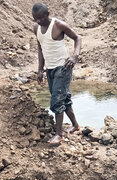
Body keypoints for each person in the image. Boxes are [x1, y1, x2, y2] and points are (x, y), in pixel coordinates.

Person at [32, 2, 82, 145]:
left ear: (47, 14)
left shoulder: (58, 25)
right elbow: (40, 49)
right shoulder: (36, 28)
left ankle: (59, 134)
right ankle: (75, 125)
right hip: (50, 68)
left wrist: (74, 57)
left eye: (41, 18)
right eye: (35, 19)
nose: (38, 21)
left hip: (63, 67)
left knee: (56, 100)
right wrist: (40, 70)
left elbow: (78, 38)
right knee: (64, 98)